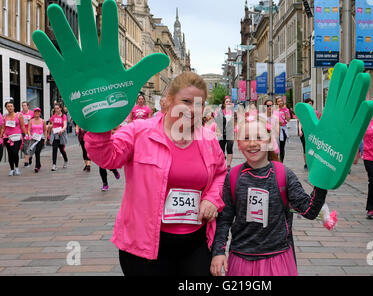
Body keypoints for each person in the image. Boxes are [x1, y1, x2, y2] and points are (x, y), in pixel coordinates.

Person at [84, 72, 227, 276]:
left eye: (199, 103)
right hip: (145, 247)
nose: (192, 109)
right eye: (185, 101)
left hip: (196, 243)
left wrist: (212, 198)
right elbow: (108, 158)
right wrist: (100, 127)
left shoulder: (208, 138)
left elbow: (221, 174)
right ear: (168, 101)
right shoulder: (139, 131)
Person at [210, 113, 327, 276]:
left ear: (270, 140)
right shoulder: (233, 177)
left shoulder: (283, 175)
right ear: (238, 143)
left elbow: (309, 211)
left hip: (278, 260)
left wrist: (323, 181)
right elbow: (224, 219)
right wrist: (218, 252)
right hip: (241, 260)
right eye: (246, 138)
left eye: (259, 137)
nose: (252, 143)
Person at [0, 101, 26, 176]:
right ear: (6, 108)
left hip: (17, 137)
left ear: (14, 107)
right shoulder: (4, 116)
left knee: (15, 152)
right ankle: (12, 169)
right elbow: (3, 128)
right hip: (7, 137)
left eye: (11, 106)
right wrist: (1, 135)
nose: (10, 108)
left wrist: (26, 135)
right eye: (8, 106)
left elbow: (22, 126)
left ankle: (17, 167)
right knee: (10, 153)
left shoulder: (19, 115)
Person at [216, 96, 235, 171]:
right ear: (224, 103)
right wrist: (218, 132)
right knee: (221, 149)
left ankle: (228, 165)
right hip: (221, 133)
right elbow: (217, 122)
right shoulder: (220, 112)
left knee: (229, 148)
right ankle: (223, 163)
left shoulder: (233, 111)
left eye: (229, 101)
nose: (228, 103)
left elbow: (236, 122)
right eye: (226, 102)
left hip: (230, 132)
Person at [26, 107, 47, 173]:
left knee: (37, 152)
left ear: (40, 113)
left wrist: (46, 138)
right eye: (35, 112)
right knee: (33, 152)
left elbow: (45, 130)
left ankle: (37, 166)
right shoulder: (31, 121)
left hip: (40, 138)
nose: (37, 113)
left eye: (38, 112)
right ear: (34, 113)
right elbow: (28, 130)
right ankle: (39, 164)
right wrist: (29, 135)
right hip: (33, 138)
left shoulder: (43, 121)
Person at [49, 103, 69, 171]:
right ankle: (54, 165)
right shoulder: (53, 116)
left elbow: (65, 125)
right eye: (55, 108)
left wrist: (62, 130)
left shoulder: (63, 116)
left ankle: (66, 160)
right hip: (55, 134)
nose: (56, 110)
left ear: (60, 108)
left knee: (61, 149)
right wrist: (49, 126)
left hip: (61, 134)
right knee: (54, 149)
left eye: (58, 108)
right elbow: (51, 124)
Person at [275, 96, 291, 163]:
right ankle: (275, 162)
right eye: (278, 101)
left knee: (282, 147)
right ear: (276, 103)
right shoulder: (274, 109)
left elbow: (288, 119)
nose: (280, 102)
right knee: (275, 147)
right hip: (276, 130)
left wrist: (285, 112)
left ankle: (281, 162)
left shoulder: (286, 109)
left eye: (281, 101)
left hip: (283, 129)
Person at [21, 101, 33, 167]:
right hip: (22, 131)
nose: (23, 107)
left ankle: (26, 162)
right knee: (22, 147)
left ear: (28, 106)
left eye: (25, 105)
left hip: (29, 132)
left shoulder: (32, 113)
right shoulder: (20, 114)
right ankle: (29, 157)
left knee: (27, 146)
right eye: (22, 105)